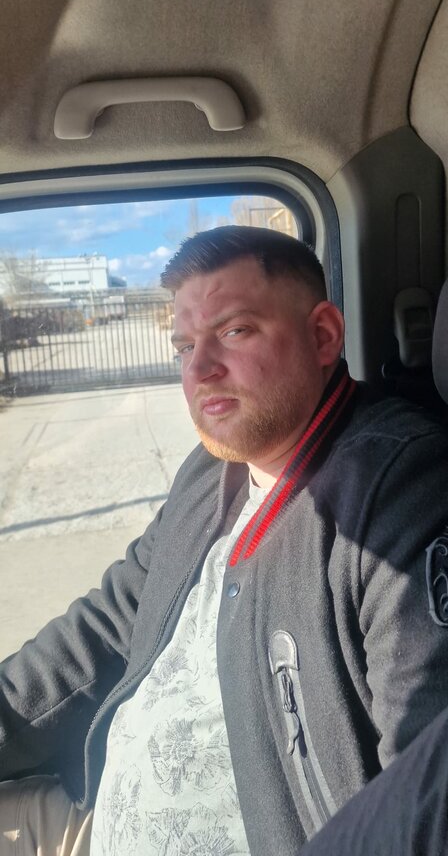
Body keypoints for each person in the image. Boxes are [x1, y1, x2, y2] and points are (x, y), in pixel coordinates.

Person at [1, 224, 448, 856]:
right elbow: (105, 626)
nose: (200, 369)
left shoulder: (401, 491)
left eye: (235, 331)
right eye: (185, 345)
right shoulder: (210, 472)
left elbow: (423, 799)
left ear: (323, 336)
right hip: (94, 817)